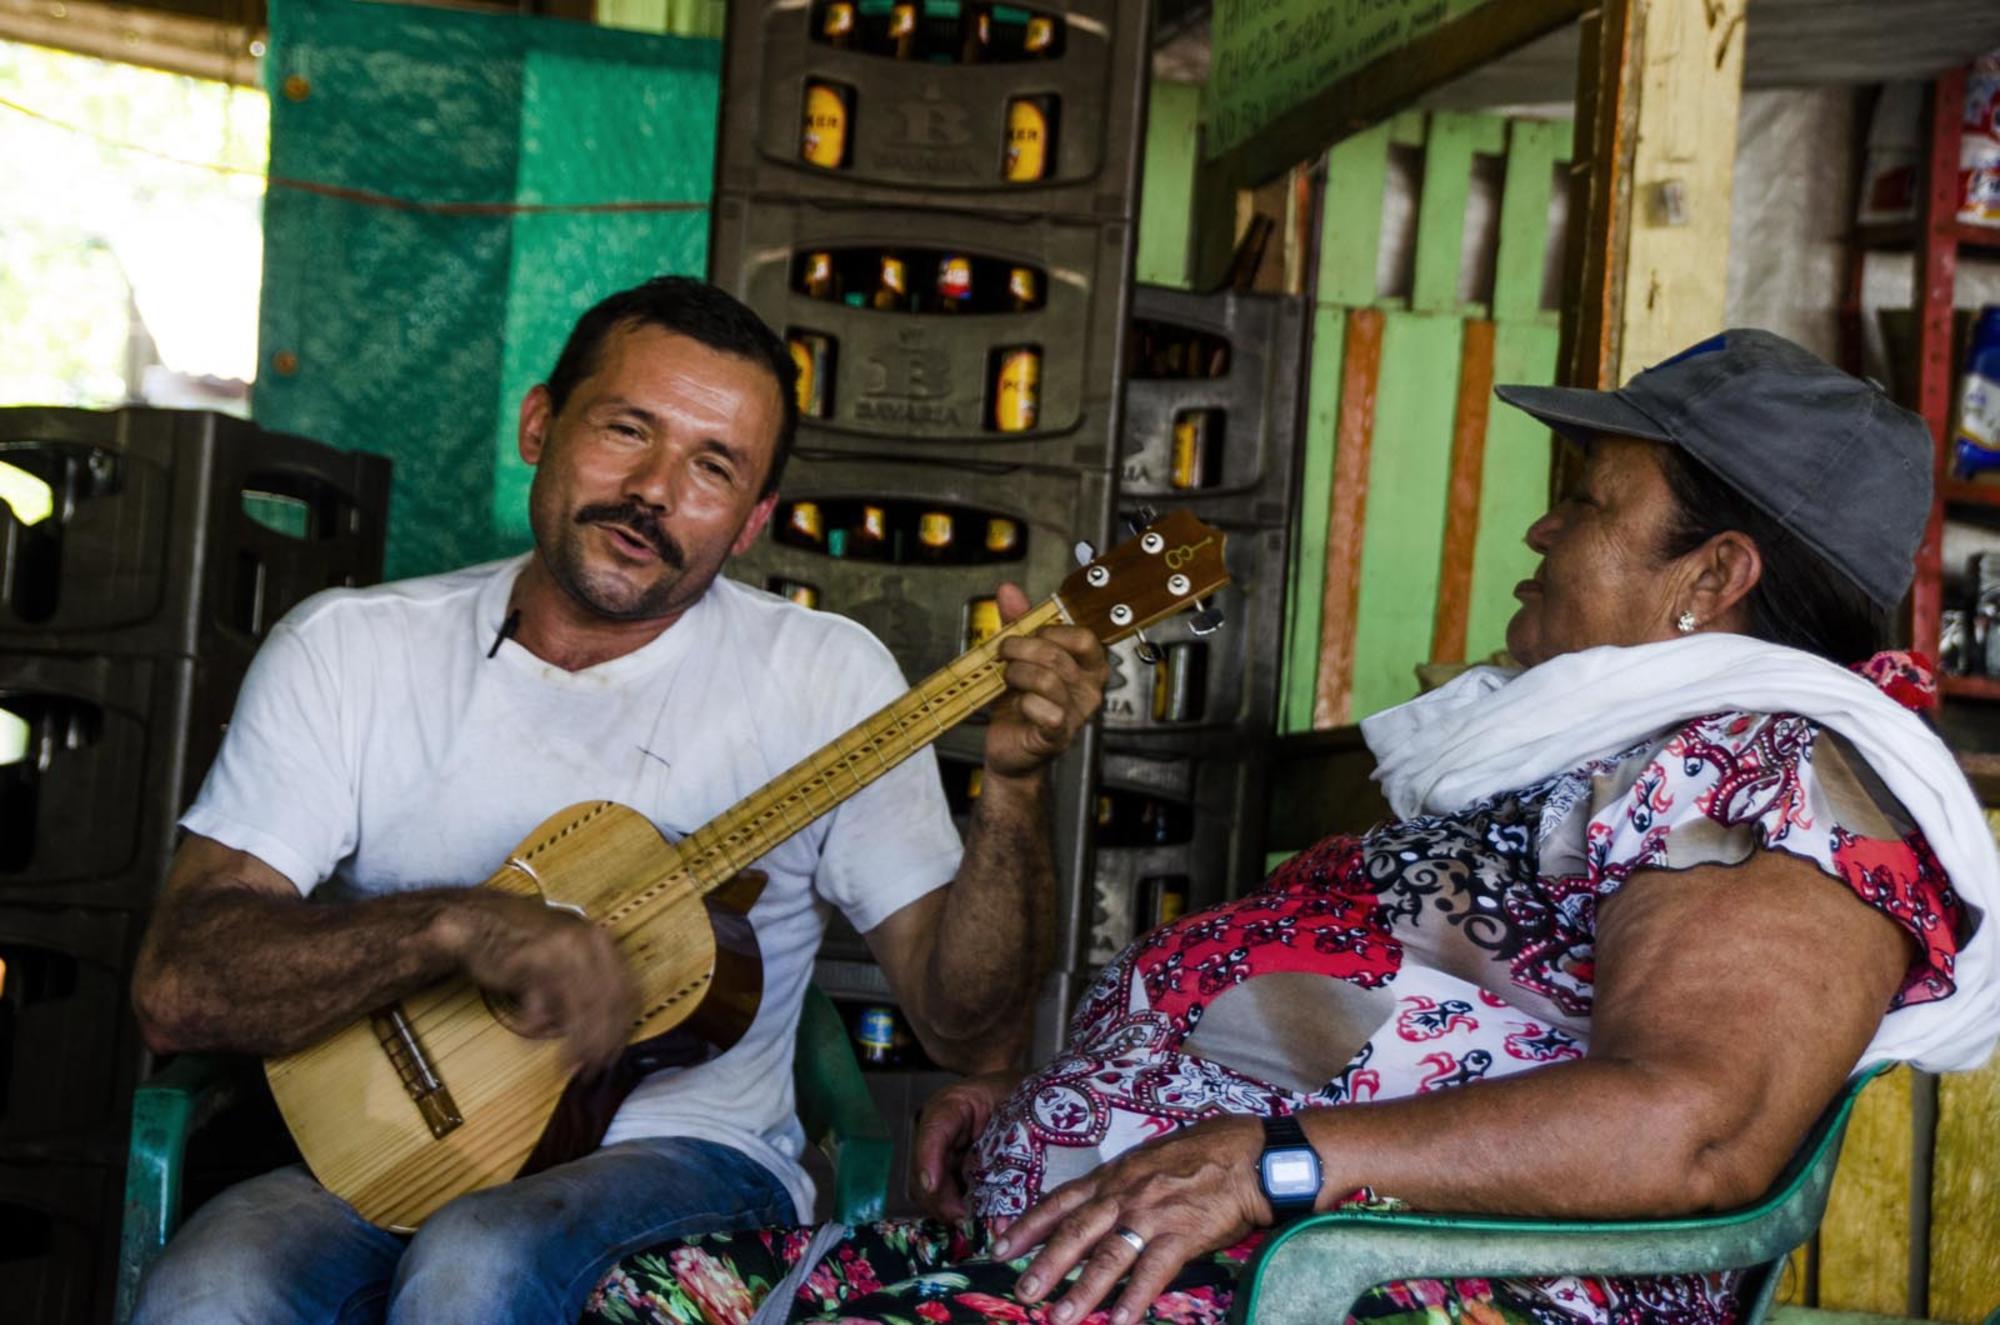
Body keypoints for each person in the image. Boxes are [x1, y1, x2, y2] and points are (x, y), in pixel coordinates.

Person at [579, 329, 1999, 1325]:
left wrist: (1267, 1163)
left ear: (1714, 575)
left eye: (1586, 503)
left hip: (1356, 1289)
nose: (1539, 535)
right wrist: (1048, 1113)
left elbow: (1698, 1127)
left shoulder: (1774, 781)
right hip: (1144, 1244)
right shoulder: (1600, 756)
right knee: (645, 1290)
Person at [127, 276, 1110, 1325]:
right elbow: (179, 987)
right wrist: (458, 926)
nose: (653, 488)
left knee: (479, 1261)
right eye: (626, 428)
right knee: (211, 1283)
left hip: (689, 1160)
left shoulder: (827, 680)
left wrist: (1011, 788)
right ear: (539, 422)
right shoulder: (350, 649)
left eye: (711, 466)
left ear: (750, 522)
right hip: (381, 1149)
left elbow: (968, 1023)